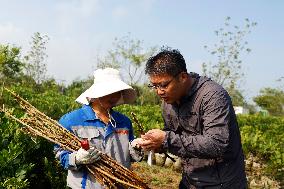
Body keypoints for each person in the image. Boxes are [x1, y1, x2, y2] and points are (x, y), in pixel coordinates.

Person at [139, 48, 247, 189]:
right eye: (154, 86)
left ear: (183, 77)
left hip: (221, 183)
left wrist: (166, 139)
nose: (159, 92)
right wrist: (157, 144)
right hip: (190, 181)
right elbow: (176, 139)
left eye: (164, 85)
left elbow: (216, 144)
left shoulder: (212, 96)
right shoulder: (168, 102)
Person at [54, 68, 143, 189]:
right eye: (109, 92)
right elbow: (60, 156)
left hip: (119, 185)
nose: (114, 97)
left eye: (117, 92)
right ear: (96, 94)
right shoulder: (71, 121)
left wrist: (136, 147)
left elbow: (129, 156)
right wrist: (77, 158)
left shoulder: (124, 122)